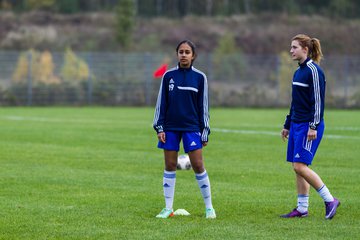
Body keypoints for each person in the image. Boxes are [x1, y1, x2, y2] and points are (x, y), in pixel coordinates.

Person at [153, 40, 216, 219]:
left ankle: (209, 207)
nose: (183, 54)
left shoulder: (200, 77)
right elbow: (161, 104)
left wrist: (205, 131)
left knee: (198, 165)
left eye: (187, 52)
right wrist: (159, 127)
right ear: (177, 54)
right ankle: (167, 208)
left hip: (192, 127)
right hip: (170, 127)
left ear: (193, 55)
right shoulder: (168, 76)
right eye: (181, 51)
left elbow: (204, 107)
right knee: (170, 165)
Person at [280, 34, 340, 219]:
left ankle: (330, 200)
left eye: (294, 47)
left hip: (308, 126)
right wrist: (287, 124)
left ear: (305, 50)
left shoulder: (314, 71)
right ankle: (302, 208)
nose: (291, 50)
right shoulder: (298, 72)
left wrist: (313, 126)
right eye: (291, 47)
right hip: (297, 124)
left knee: (300, 166)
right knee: (297, 166)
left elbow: (318, 102)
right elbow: (295, 102)